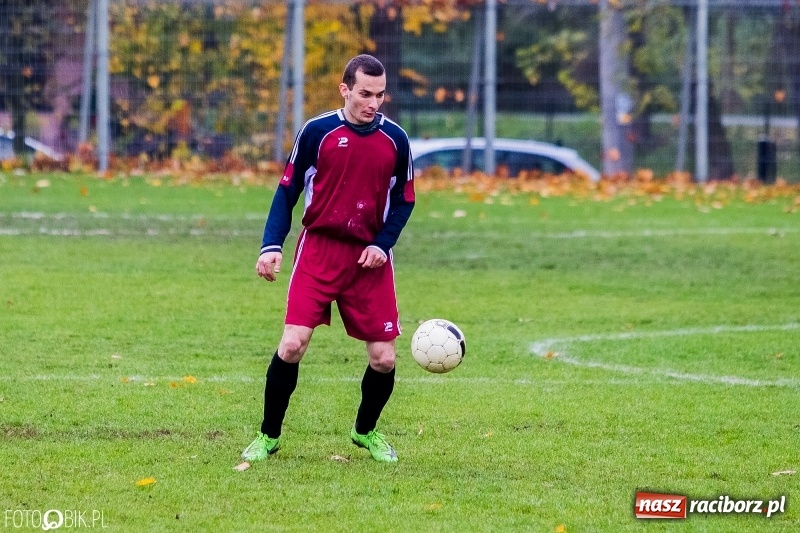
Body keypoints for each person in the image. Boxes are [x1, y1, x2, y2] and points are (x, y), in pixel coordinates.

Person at [241, 54, 415, 463]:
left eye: (380, 94)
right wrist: (271, 245)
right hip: (319, 250)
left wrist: (382, 243)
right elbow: (286, 192)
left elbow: (405, 201)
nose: (373, 103)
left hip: (369, 259)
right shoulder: (317, 132)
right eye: (364, 94)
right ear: (345, 90)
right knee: (291, 345)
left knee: (384, 357)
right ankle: (268, 435)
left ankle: (366, 431)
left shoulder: (396, 140)